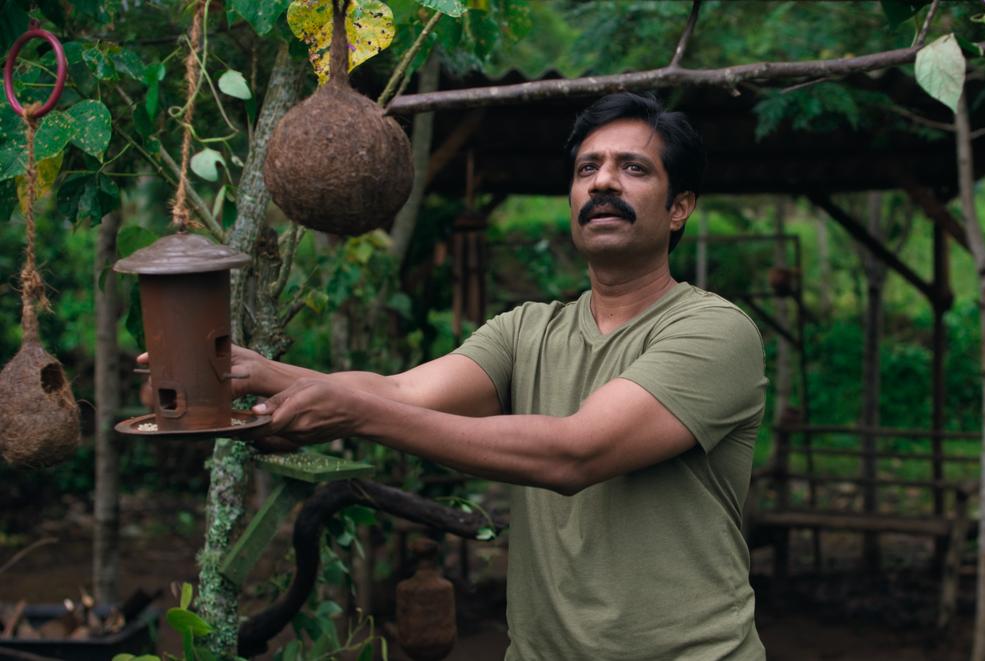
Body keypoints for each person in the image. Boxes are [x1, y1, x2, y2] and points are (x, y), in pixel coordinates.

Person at [212, 92, 766, 659]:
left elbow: (577, 454)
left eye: (633, 168)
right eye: (587, 168)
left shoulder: (716, 331)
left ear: (680, 207)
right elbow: (400, 392)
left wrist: (357, 415)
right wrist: (252, 372)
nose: (603, 182)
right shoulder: (527, 330)